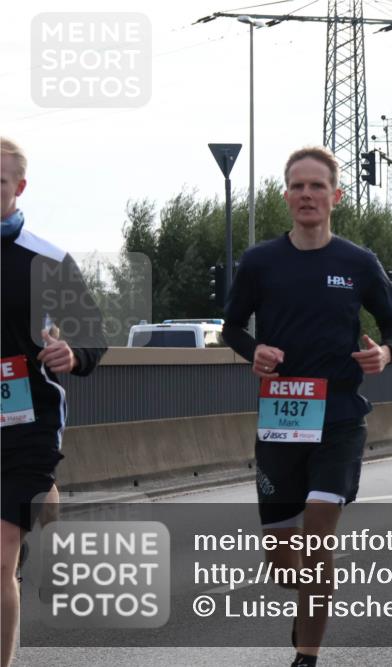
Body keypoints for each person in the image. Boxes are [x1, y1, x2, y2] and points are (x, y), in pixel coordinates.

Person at [222, 146, 392, 667]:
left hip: (341, 414)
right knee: (284, 563)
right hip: (281, 417)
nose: (307, 194)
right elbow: (232, 325)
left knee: (320, 533)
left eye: (317, 186)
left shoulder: (357, 262)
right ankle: (305, 602)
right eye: (298, 186)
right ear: (286, 197)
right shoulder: (260, 262)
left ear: (335, 197)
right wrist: (251, 350)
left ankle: (307, 656)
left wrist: (385, 353)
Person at [1, 138, 107, 667]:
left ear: (19, 188)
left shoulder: (46, 259)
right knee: (34, 504)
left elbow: (94, 335)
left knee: (0, 557)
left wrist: (74, 353)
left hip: (30, 417)